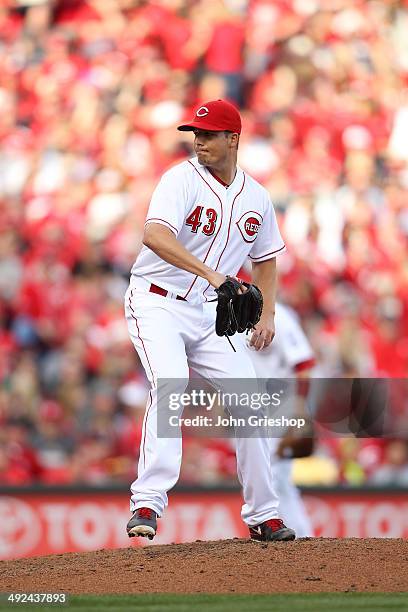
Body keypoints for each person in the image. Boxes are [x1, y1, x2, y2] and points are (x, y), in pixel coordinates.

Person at [124, 99, 295, 542]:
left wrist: (268, 314)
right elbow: (154, 234)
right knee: (171, 381)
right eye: (195, 133)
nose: (198, 140)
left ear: (233, 138)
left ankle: (264, 513)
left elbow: (267, 258)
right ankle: (147, 501)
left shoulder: (256, 196)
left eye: (208, 134)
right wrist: (213, 275)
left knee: (250, 402)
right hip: (157, 301)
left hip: (209, 312)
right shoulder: (180, 179)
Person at [244, 300, 315, 537]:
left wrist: (300, 411)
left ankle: (298, 536)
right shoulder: (230, 313)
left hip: (281, 407)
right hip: (252, 409)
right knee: (268, 478)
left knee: (274, 478)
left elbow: (303, 363)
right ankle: (289, 535)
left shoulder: (281, 316)